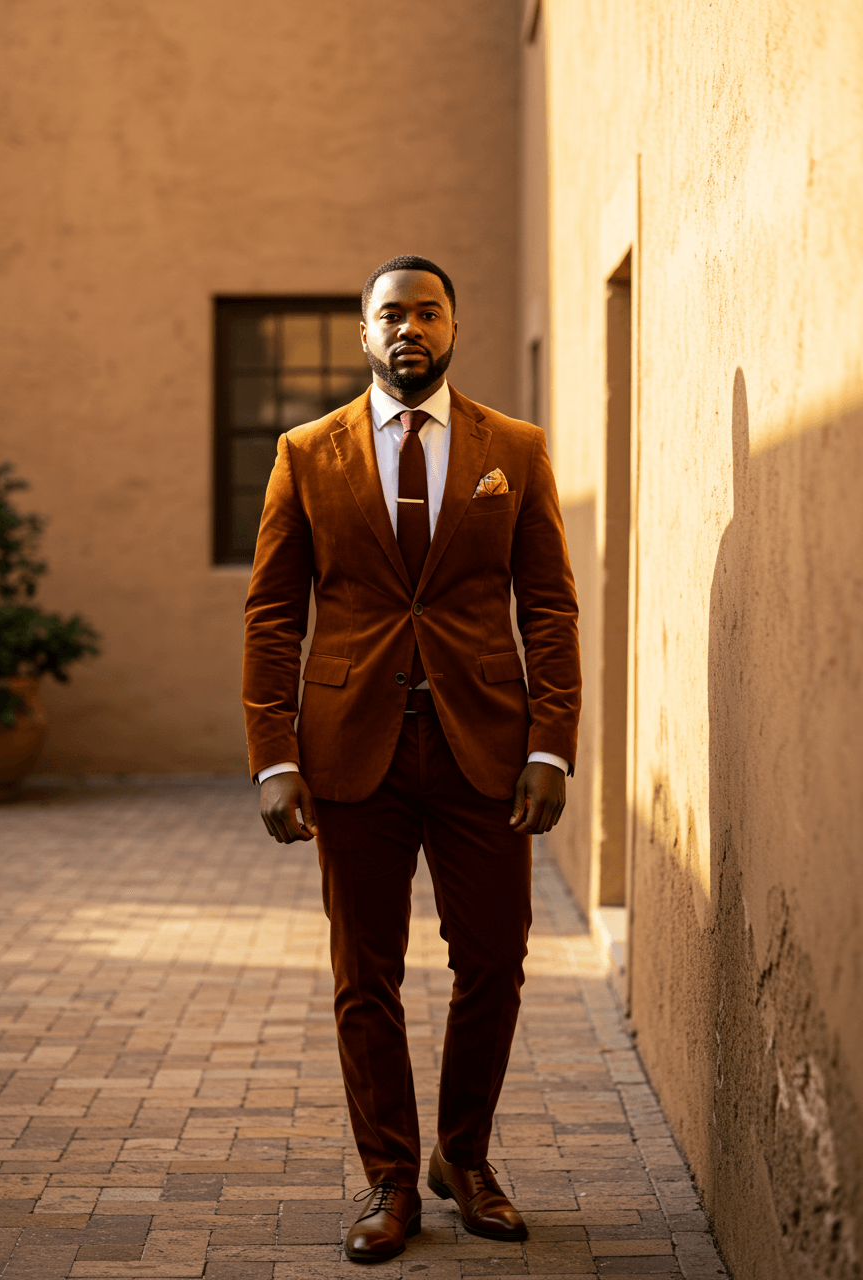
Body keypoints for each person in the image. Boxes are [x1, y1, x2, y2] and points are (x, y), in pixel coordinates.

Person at [243, 254, 581, 1263]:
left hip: (484, 748)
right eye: (389, 313)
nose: (408, 328)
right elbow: (272, 611)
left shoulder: (511, 449)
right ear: (363, 334)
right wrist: (273, 754)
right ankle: (390, 1172)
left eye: (425, 312)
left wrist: (550, 741)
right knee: (366, 971)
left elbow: (549, 606)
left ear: (450, 326)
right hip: (353, 753)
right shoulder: (305, 452)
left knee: (493, 960)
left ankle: (462, 1155)